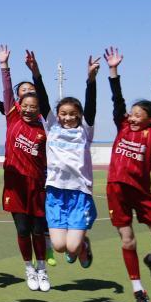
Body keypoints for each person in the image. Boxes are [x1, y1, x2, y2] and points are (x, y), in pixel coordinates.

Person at [104, 47, 151, 302]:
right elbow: (117, 99)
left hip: (143, 193)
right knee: (128, 241)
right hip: (117, 191)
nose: (133, 117)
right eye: (132, 113)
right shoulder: (123, 126)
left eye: (139, 115)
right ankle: (139, 290)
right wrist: (113, 70)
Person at [0, 46, 51, 291]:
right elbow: (7, 91)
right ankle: (29, 268)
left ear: (39, 109)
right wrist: (4, 65)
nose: (28, 109)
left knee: (38, 230)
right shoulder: (13, 117)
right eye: (25, 105)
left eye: (33, 106)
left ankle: (42, 269)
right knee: (22, 229)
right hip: (15, 186)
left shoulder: (44, 128)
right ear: (19, 105)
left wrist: (36, 72)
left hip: (37, 186)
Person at [44, 55, 100, 269]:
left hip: (80, 193)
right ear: (57, 115)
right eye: (63, 114)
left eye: (73, 114)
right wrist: (36, 72)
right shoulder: (51, 127)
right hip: (55, 192)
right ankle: (77, 245)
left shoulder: (85, 131)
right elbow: (42, 97)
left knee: (73, 247)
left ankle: (83, 245)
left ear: (79, 116)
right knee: (59, 246)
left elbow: (91, 105)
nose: (68, 118)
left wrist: (91, 79)